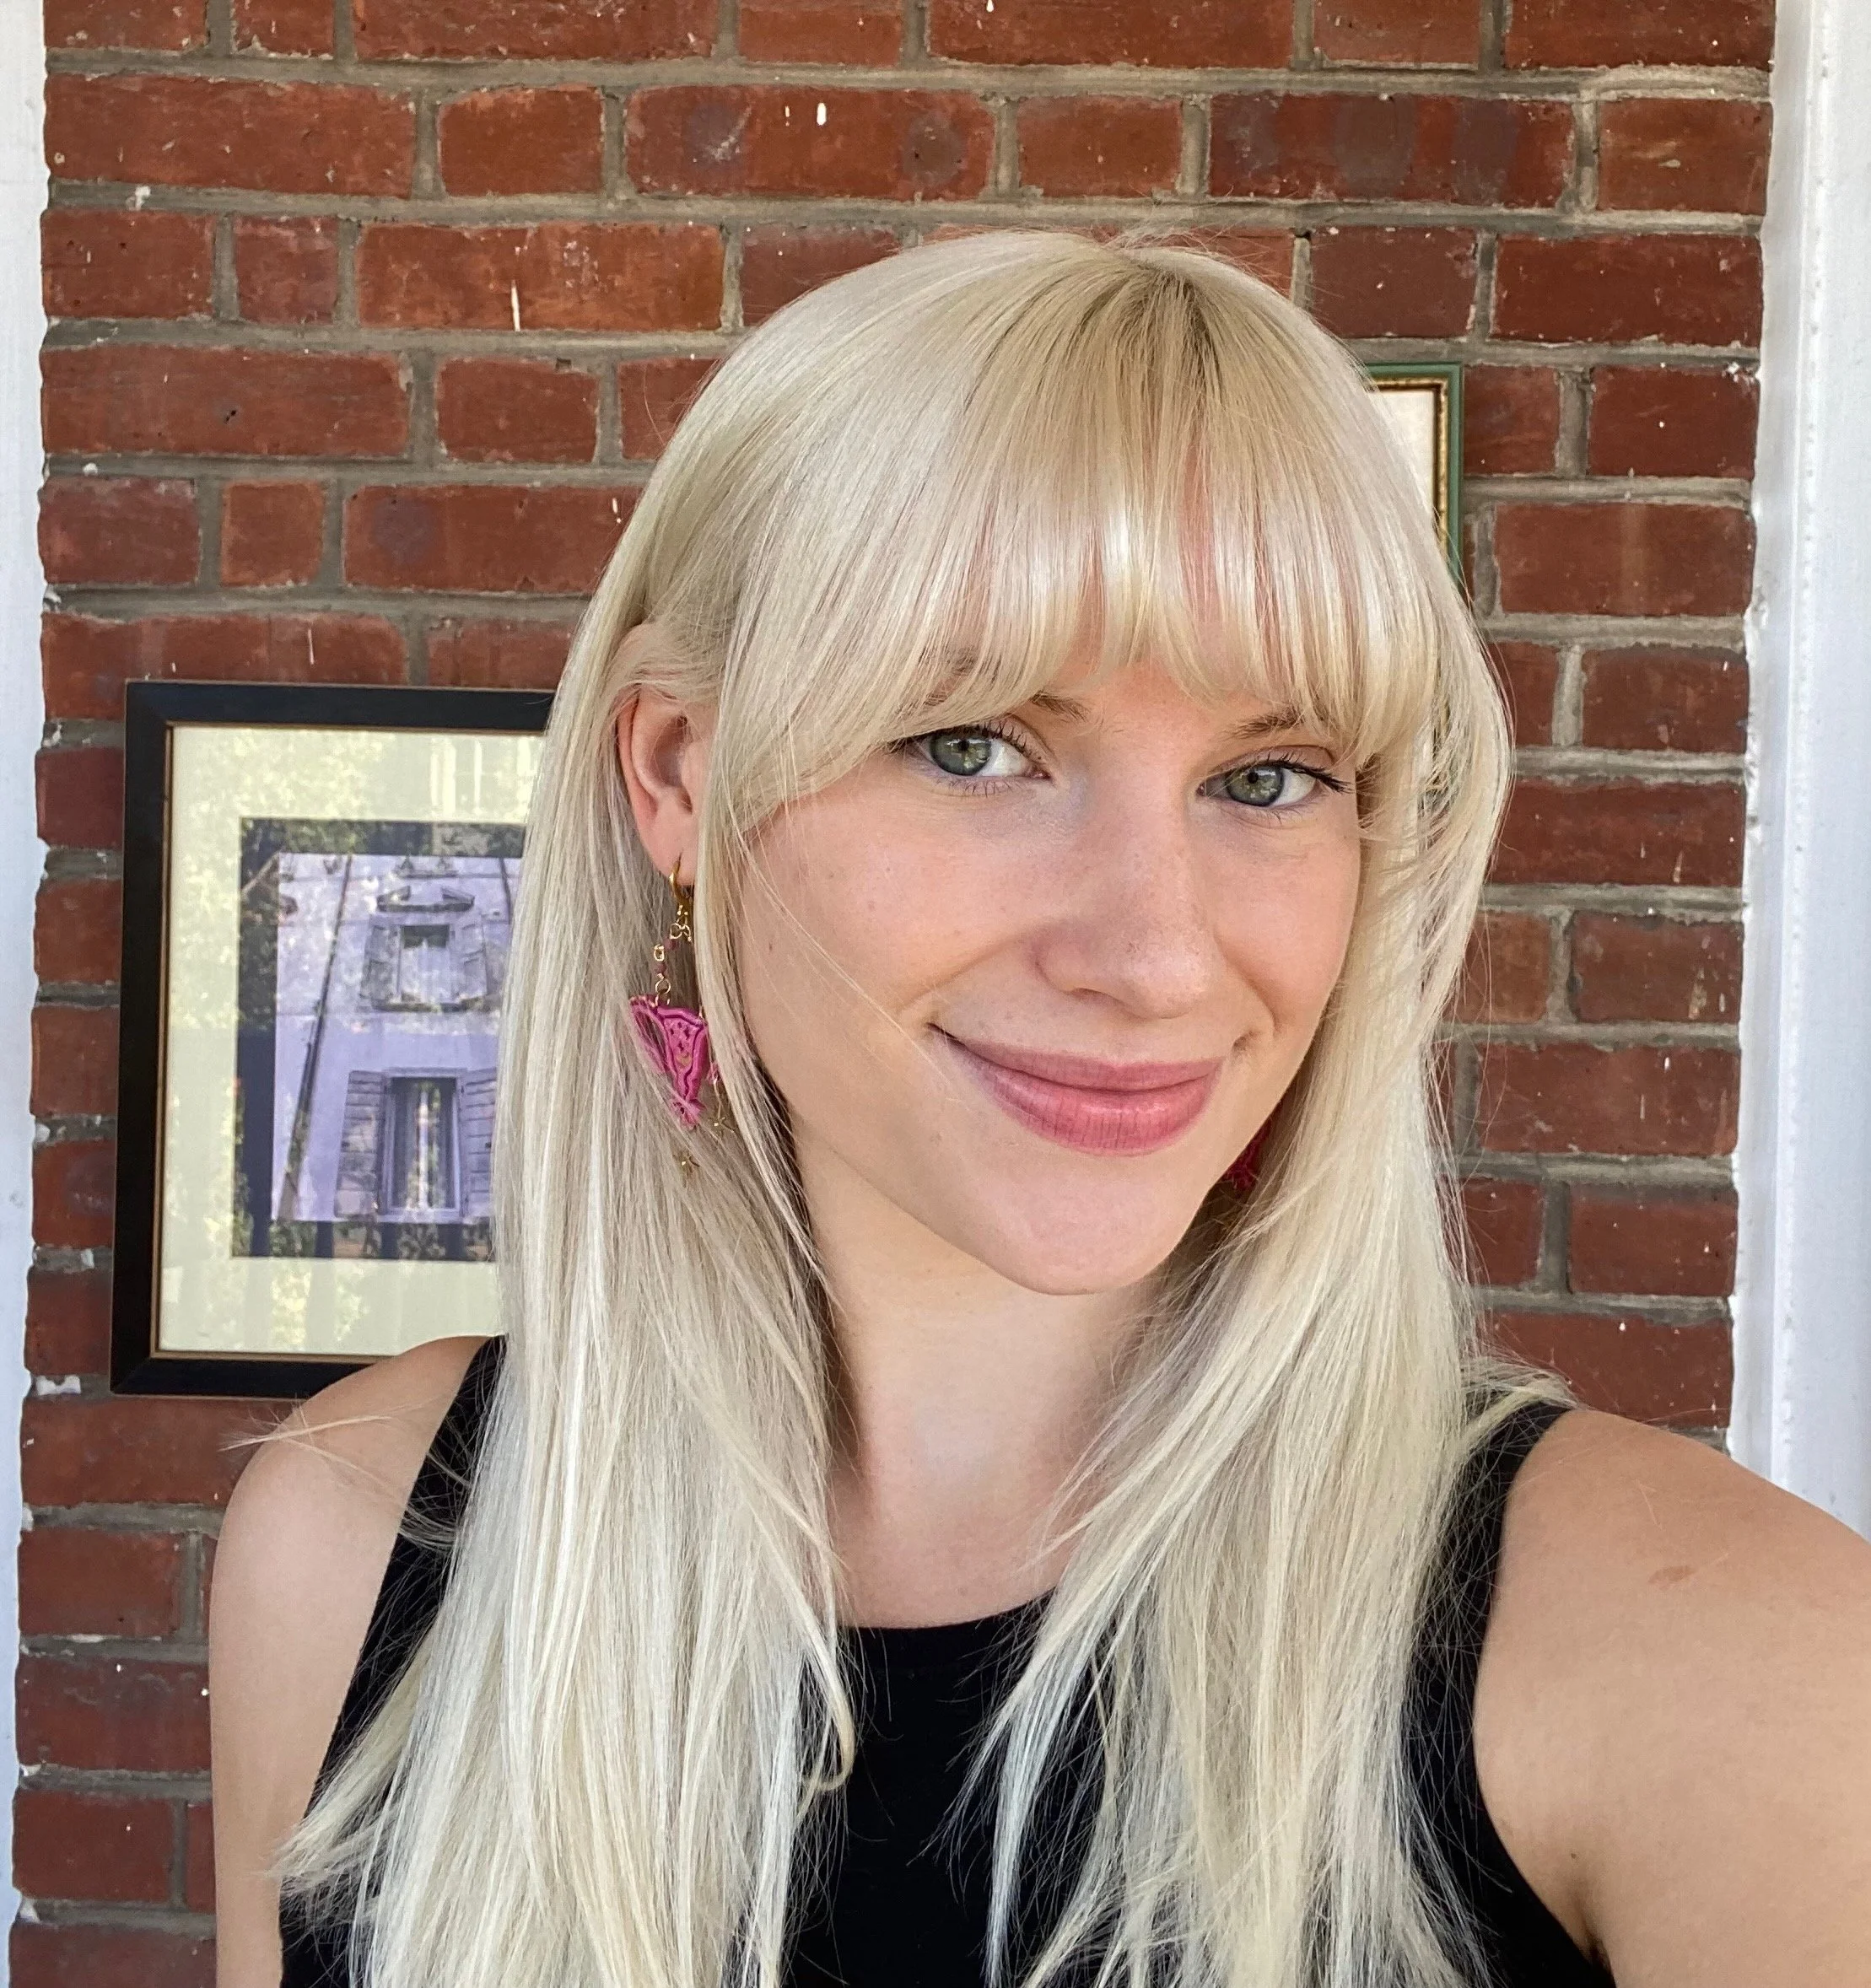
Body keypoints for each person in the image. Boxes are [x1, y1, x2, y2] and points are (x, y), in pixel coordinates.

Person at [208, 229, 1871, 1988]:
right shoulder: (355, 1538)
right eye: (974, 745)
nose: (1152, 956)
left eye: (1270, 775)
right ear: (678, 773)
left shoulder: (1718, 1663)